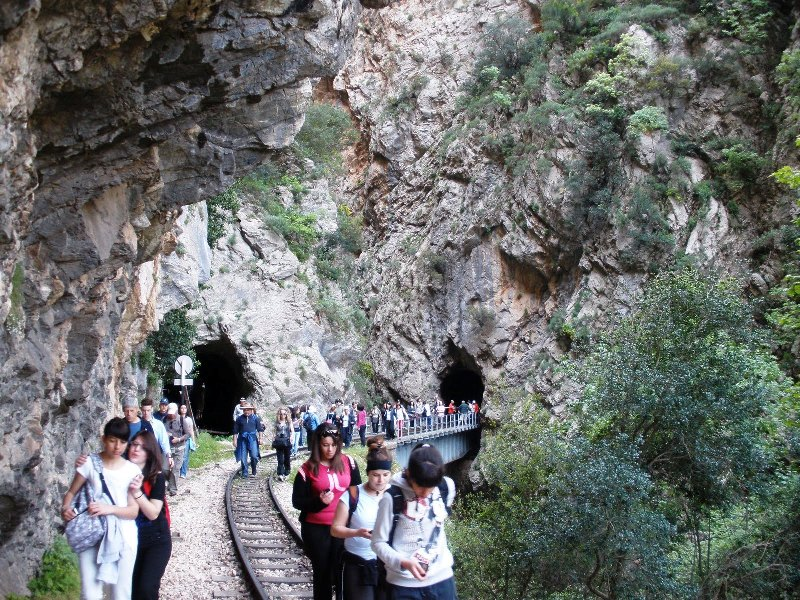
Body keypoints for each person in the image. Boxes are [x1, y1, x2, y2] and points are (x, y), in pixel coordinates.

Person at [60, 418, 141, 600]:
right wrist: (66, 508)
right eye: (113, 440)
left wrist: (108, 509)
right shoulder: (89, 463)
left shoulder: (131, 471)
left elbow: (133, 511)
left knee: (121, 594)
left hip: (123, 537)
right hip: (92, 533)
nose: (117, 446)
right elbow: (71, 493)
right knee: (90, 593)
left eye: (122, 442)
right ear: (104, 439)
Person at [372, 443, 457, 599]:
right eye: (420, 487)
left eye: (430, 488)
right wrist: (403, 562)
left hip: (442, 580)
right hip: (404, 586)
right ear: (409, 474)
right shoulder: (391, 497)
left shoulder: (447, 487)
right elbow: (377, 543)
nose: (424, 494)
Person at [292, 424, 362, 600]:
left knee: (342, 572)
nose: (330, 449)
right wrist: (319, 503)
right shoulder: (306, 469)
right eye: (325, 445)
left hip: (343, 527)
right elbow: (297, 501)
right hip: (316, 529)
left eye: (333, 445)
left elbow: (357, 491)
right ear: (318, 444)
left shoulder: (349, 463)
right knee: (322, 573)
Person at [331, 435, 393, 600]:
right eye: (375, 475)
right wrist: (357, 532)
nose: (381, 480)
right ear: (367, 473)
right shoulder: (352, 494)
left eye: (386, 475)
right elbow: (335, 529)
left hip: (387, 566)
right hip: (357, 564)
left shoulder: (396, 494)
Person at [127, 431, 172, 600]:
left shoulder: (156, 477)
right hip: (131, 541)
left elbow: (153, 513)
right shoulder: (122, 472)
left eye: (141, 446)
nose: (135, 449)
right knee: (131, 590)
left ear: (149, 452)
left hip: (157, 541)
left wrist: (137, 492)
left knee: (146, 589)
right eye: (133, 444)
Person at [140, 399, 172, 477]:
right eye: (144, 410)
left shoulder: (158, 424)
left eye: (148, 410)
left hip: (155, 455)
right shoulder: (138, 423)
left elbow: (163, 441)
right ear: (141, 409)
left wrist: (169, 456)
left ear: (152, 409)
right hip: (140, 456)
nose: (146, 413)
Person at [233, 401, 265, 478]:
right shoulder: (239, 419)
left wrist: (260, 438)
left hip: (253, 438)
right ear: (243, 410)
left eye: (248, 410)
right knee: (243, 456)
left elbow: (260, 429)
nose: (246, 411)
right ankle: (245, 472)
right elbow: (235, 431)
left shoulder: (255, 418)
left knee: (254, 455)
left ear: (251, 410)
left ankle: (254, 468)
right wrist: (234, 440)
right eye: (245, 410)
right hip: (242, 439)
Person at [164, 403, 190, 496]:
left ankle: (173, 489)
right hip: (168, 449)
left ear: (176, 411)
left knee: (175, 469)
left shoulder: (182, 420)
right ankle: (168, 485)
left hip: (179, 449)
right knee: (165, 469)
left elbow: (188, 434)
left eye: (172, 413)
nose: (171, 415)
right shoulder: (164, 419)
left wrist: (178, 439)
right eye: (169, 413)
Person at [273, 407, 293, 481]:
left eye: (284, 414)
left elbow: (292, 431)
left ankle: (287, 472)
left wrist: (291, 437)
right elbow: (274, 432)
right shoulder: (276, 422)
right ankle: (280, 473)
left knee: (287, 458)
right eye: (281, 414)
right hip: (279, 442)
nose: (283, 415)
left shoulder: (289, 422)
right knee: (280, 459)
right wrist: (273, 439)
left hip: (287, 441)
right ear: (279, 414)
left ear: (286, 414)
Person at [178, 403, 196, 479]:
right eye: (182, 408)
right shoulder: (177, 418)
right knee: (178, 456)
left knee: (185, 456)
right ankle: (177, 471)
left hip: (187, 439)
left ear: (187, 409)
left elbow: (191, 430)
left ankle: (183, 472)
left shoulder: (189, 419)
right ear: (179, 409)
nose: (183, 409)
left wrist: (193, 440)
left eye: (185, 408)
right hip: (179, 439)